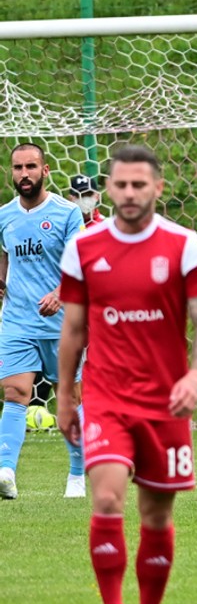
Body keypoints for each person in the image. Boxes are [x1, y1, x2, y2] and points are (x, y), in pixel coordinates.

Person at [56, 144, 197, 604]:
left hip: (165, 402)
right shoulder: (83, 247)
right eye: (121, 185)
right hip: (106, 396)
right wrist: (65, 395)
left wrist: (195, 376)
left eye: (139, 185)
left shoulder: (184, 245)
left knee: (155, 515)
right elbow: (74, 328)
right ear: (109, 188)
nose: (129, 193)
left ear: (157, 188)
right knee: (106, 497)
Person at [0, 144, 85, 499]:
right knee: (14, 393)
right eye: (18, 167)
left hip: (63, 324)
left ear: (45, 170)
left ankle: (77, 477)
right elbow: (4, 258)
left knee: (70, 398)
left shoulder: (67, 213)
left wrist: (60, 293)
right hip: (18, 321)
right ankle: (6, 473)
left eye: (31, 166)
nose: (24, 174)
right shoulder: (4, 215)